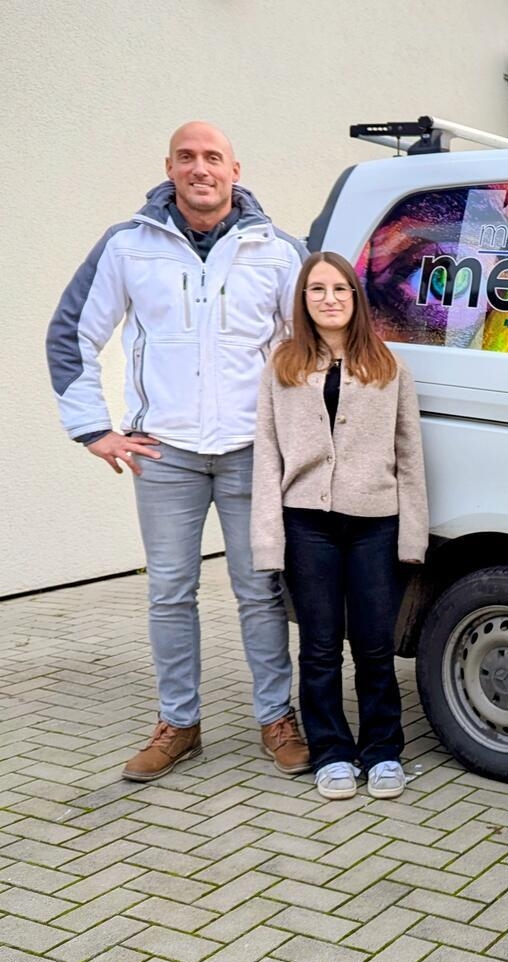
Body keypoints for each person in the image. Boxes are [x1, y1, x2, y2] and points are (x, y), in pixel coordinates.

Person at [46, 121, 308, 781]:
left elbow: (309, 344)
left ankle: (276, 717)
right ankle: (179, 723)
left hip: (252, 450)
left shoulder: (277, 250)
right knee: (169, 591)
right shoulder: (129, 245)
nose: (201, 168)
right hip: (165, 455)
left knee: (260, 589)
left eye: (212, 157)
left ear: (235, 169)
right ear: (169, 167)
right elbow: (72, 333)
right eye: (187, 157)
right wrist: (93, 428)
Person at [251, 251, 428, 800]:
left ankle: (381, 751)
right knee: (321, 647)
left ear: (356, 298)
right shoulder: (282, 366)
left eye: (340, 289)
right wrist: (267, 542)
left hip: (375, 522)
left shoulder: (389, 366)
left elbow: (409, 453)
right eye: (317, 290)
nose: (330, 299)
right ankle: (331, 751)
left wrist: (413, 534)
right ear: (303, 302)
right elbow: (268, 457)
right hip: (307, 525)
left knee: (375, 644)